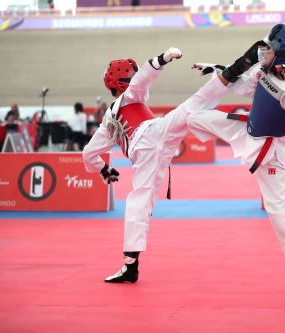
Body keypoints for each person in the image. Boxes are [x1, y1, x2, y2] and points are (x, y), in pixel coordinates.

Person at [188, 24, 285, 298]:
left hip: (271, 147)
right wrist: (214, 68)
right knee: (194, 117)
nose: (263, 52)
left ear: (281, 53)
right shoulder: (264, 72)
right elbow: (240, 86)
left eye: (269, 48)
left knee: (277, 208)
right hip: (247, 129)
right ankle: (161, 149)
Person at [83, 46, 231, 284]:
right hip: (154, 136)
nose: (133, 81)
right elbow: (141, 80)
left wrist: (102, 169)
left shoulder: (107, 121)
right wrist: (161, 60)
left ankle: (131, 266)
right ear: (122, 83)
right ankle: (226, 78)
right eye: (129, 78)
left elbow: (89, 153)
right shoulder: (131, 95)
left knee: (139, 203)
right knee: (192, 107)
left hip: (150, 152)